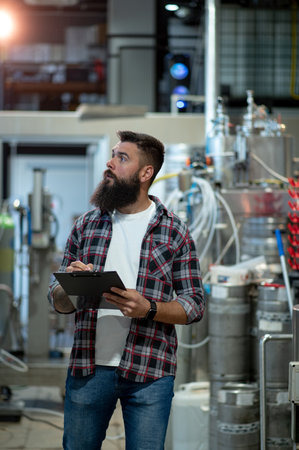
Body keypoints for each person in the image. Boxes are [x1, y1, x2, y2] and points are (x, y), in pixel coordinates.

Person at [48, 130, 205, 450]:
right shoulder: (86, 224)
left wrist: (148, 308)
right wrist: (69, 285)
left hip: (150, 372)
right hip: (88, 369)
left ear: (146, 173)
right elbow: (58, 301)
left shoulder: (173, 230)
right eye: (112, 155)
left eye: (121, 158)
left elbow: (194, 304)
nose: (109, 163)